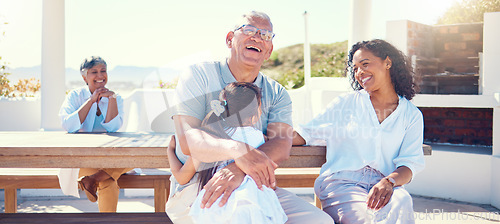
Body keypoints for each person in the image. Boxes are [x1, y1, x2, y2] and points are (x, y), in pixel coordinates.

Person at [167, 11, 333, 224]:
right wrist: (238, 150)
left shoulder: (277, 92)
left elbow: (281, 142)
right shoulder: (199, 75)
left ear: (269, 50)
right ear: (229, 39)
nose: (257, 37)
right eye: (248, 30)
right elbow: (189, 139)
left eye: (265, 35)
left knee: (319, 221)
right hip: (198, 190)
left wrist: (238, 169)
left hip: (253, 186)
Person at [293, 39, 426, 223]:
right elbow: (304, 134)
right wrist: (262, 137)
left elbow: (409, 164)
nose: (359, 73)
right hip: (343, 182)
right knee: (366, 219)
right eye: (354, 68)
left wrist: (389, 182)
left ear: (387, 62)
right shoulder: (346, 103)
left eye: (364, 64)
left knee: (402, 202)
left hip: (384, 184)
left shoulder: (411, 115)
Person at [167, 82, 286, 224]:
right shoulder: (260, 139)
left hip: (214, 204)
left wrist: (170, 151)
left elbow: (181, 177)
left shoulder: (211, 138)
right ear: (255, 114)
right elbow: (269, 181)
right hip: (251, 204)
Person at [58, 56, 132, 212]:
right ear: (84, 77)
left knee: (134, 158)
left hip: (108, 158)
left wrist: (111, 99)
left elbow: (113, 128)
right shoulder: (74, 96)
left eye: (103, 71)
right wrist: (91, 101)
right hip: (82, 159)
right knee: (109, 181)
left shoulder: (115, 97)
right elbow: (68, 125)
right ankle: (95, 179)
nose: (100, 76)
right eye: (94, 72)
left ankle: (93, 179)